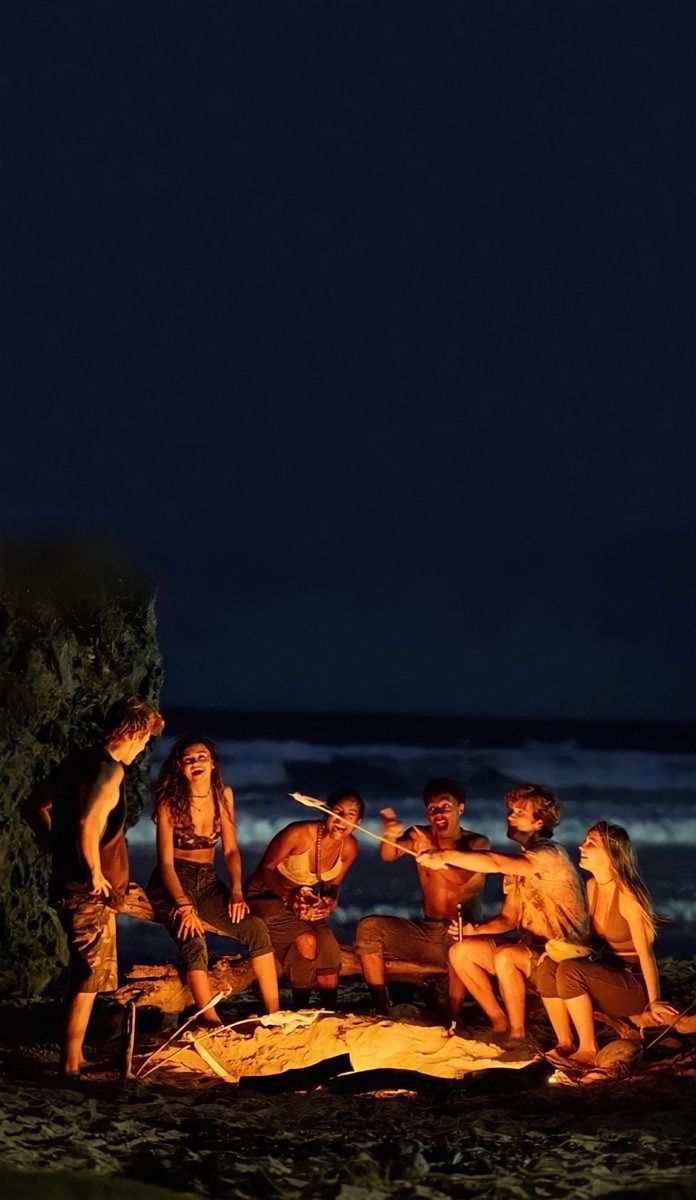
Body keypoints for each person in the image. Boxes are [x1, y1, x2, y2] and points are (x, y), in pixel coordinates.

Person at [22, 696, 165, 1077]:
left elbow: (34, 805)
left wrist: (57, 845)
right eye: (145, 739)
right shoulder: (110, 771)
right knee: (87, 977)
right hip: (89, 890)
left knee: (86, 972)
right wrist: (94, 870)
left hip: (74, 882)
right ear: (132, 733)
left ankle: (74, 1055)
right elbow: (88, 822)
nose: (144, 747)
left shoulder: (77, 762)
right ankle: (70, 1062)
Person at [418, 783, 589, 1043]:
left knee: (507, 955)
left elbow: (494, 862)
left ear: (538, 822)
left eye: (519, 812)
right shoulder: (519, 863)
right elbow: (508, 919)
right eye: (511, 810)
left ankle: (518, 1035)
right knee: (460, 951)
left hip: (563, 953)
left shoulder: (549, 854)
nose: (510, 817)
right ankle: (500, 1022)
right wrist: (474, 930)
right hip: (531, 952)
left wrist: (445, 856)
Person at [147, 736, 280, 1024]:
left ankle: (275, 1013)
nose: (196, 762)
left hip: (207, 880)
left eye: (202, 757)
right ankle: (210, 1020)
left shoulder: (223, 795)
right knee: (193, 940)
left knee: (255, 928)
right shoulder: (169, 801)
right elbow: (166, 863)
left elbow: (231, 851)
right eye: (189, 759)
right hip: (173, 881)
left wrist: (235, 891)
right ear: (180, 767)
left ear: (213, 763)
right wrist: (183, 905)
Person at [537, 821, 677, 1067]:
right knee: (549, 966)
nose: (582, 846)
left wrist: (653, 1001)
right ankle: (565, 1043)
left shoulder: (628, 896)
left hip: (632, 985)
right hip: (607, 972)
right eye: (585, 840)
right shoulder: (592, 886)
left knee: (571, 971)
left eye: (592, 843)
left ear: (611, 854)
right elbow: (588, 938)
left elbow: (646, 955)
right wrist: (556, 949)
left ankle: (588, 1050)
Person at [354, 778, 489, 1017]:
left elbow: (461, 881)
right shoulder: (420, 836)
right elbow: (389, 855)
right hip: (427, 931)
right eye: (432, 808)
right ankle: (382, 1007)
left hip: (461, 933)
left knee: (461, 946)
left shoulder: (476, 843)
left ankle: (454, 1016)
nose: (438, 813)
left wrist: (434, 854)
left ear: (461, 808)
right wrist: (390, 834)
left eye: (445, 807)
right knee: (369, 928)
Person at [245, 789, 364, 1009]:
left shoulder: (350, 847)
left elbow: (332, 886)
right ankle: (301, 1008)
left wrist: (329, 900)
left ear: (358, 821)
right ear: (325, 812)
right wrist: (289, 896)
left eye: (350, 814)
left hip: (302, 900)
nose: (342, 819)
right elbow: (266, 869)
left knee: (328, 943)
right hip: (265, 896)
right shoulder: (299, 833)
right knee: (307, 940)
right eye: (337, 811)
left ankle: (330, 1011)